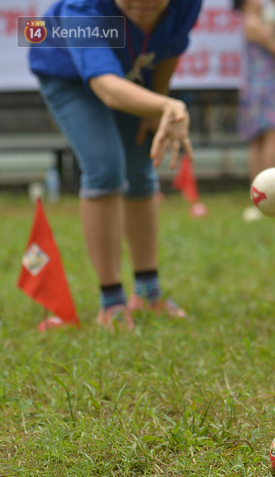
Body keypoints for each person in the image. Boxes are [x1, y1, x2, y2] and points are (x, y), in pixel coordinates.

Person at [29, 0, 202, 329]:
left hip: (133, 71)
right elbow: (106, 87)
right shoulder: (82, 10)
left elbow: (171, 45)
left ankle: (149, 294)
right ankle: (112, 303)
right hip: (67, 73)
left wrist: (157, 105)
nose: (143, 4)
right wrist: (168, 105)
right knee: (105, 167)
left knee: (140, 170)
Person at [234, 0, 275, 181]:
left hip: (259, 85)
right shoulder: (253, 23)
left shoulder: (257, 21)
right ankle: (267, 188)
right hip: (262, 86)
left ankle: (260, 191)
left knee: (259, 139)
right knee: (273, 135)